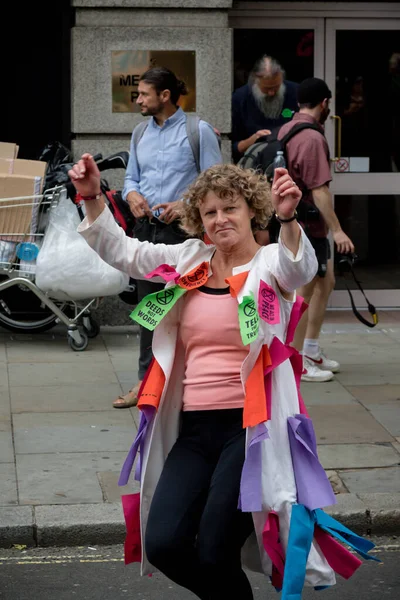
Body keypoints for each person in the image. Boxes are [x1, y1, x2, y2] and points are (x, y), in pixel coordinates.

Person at [68, 156, 376, 599]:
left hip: (249, 431)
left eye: (230, 208)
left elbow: (299, 268)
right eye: (209, 212)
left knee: (215, 550)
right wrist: (93, 196)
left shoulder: (270, 263)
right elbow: (126, 252)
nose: (220, 219)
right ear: (199, 219)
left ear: (253, 209)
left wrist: (289, 217)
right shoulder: (189, 257)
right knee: (165, 543)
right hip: (193, 429)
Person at [114, 67, 222, 408]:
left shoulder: (198, 131)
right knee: (150, 312)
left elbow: (215, 182)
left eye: (144, 94)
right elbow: (131, 177)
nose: (138, 100)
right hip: (148, 232)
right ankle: (146, 383)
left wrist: (185, 202)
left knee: (188, 310)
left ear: (165, 96)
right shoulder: (139, 133)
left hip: (185, 235)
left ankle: (190, 383)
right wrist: (132, 196)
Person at [278, 77, 355, 382]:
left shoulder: (288, 128)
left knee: (326, 282)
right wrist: (337, 230)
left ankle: (309, 349)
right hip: (308, 225)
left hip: (301, 223)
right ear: (325, 103)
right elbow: (319, 190)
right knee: (304, 293)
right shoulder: (310, 138)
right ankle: (297, 362)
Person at [232, 55, 299, 162]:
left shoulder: (295, 92)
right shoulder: (240, 98)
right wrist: (253, 139)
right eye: (266, 88)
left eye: (276, 87)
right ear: (255, 80)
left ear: (281, 77)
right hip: (253, 164)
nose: (271, 93)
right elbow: (231, 146)